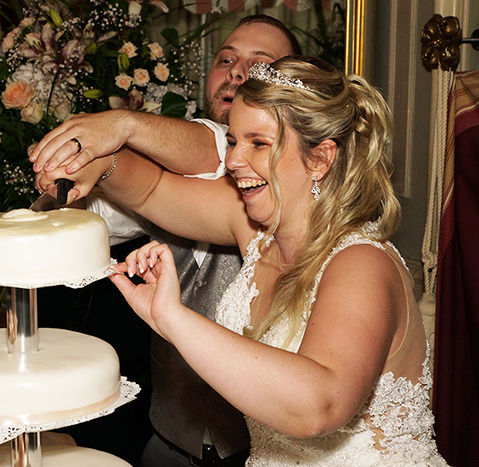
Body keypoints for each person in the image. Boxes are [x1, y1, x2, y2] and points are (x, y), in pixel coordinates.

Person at [35, 56, 450, 466]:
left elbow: (319, 406)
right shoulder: (256, 229)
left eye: (259, 143)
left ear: (320, 158)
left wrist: (173, 319)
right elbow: (151, 189)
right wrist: (100, 161)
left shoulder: (362, 263)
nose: (232, 160)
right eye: (233, 140)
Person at [31, 15, 301, 467]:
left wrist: (123, 126)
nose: (237, 72)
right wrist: (81, 172)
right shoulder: (185, 164)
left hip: (263, 450)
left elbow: (209, 147)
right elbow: (128, 197)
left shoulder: (234, 165)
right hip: (169, 439)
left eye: (261, 63)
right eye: (226, 59)